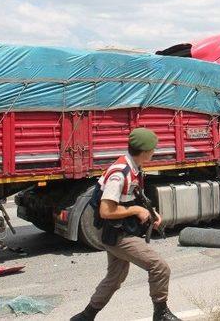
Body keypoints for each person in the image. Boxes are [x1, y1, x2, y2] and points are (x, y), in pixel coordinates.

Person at [71, 128, 180, 321]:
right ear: (146, 151)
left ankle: (85, 317)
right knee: (159, 267)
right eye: (153, 149)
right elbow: (106, 211)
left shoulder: (133, 167)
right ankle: (161, 314)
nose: (154, 152)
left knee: (115, 278)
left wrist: (150, 212)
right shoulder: (120, 173)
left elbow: (131, 198)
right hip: (118, 234)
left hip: (118, 231)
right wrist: (137, 211)